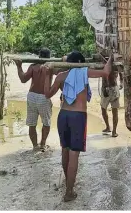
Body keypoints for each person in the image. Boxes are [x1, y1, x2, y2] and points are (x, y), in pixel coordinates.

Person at [43, 51, 112, 202]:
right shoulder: (84, 71)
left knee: (65, 150)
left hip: (63, 115)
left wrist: (48, 74)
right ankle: (69, 192)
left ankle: (69, 183)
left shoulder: (61, 76)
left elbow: (47, 94)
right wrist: (111, 58)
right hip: (77, 117)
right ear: (81, 62)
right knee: (74, 154)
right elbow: (106, 72)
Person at [15, 47, 53, 152]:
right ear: (49, 57)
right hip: (43, 97)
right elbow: (63, 71)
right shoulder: (51, 67)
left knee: (32, 123)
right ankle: (43, 144)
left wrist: (19, 67)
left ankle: (35, 146)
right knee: (46, 122)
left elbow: (23, 79)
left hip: (31, 96)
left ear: (39, 56)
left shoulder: (33, 66)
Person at [101, 63, 123, 138]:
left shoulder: (110, 64)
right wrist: (121, 82)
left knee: (108, 109)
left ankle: (111, 129)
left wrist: (121, 82)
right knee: (112, 110)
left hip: (110, 88)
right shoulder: (115, 64)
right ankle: (112, 130)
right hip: (113, 88)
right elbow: (120, 72)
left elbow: (120, 72)